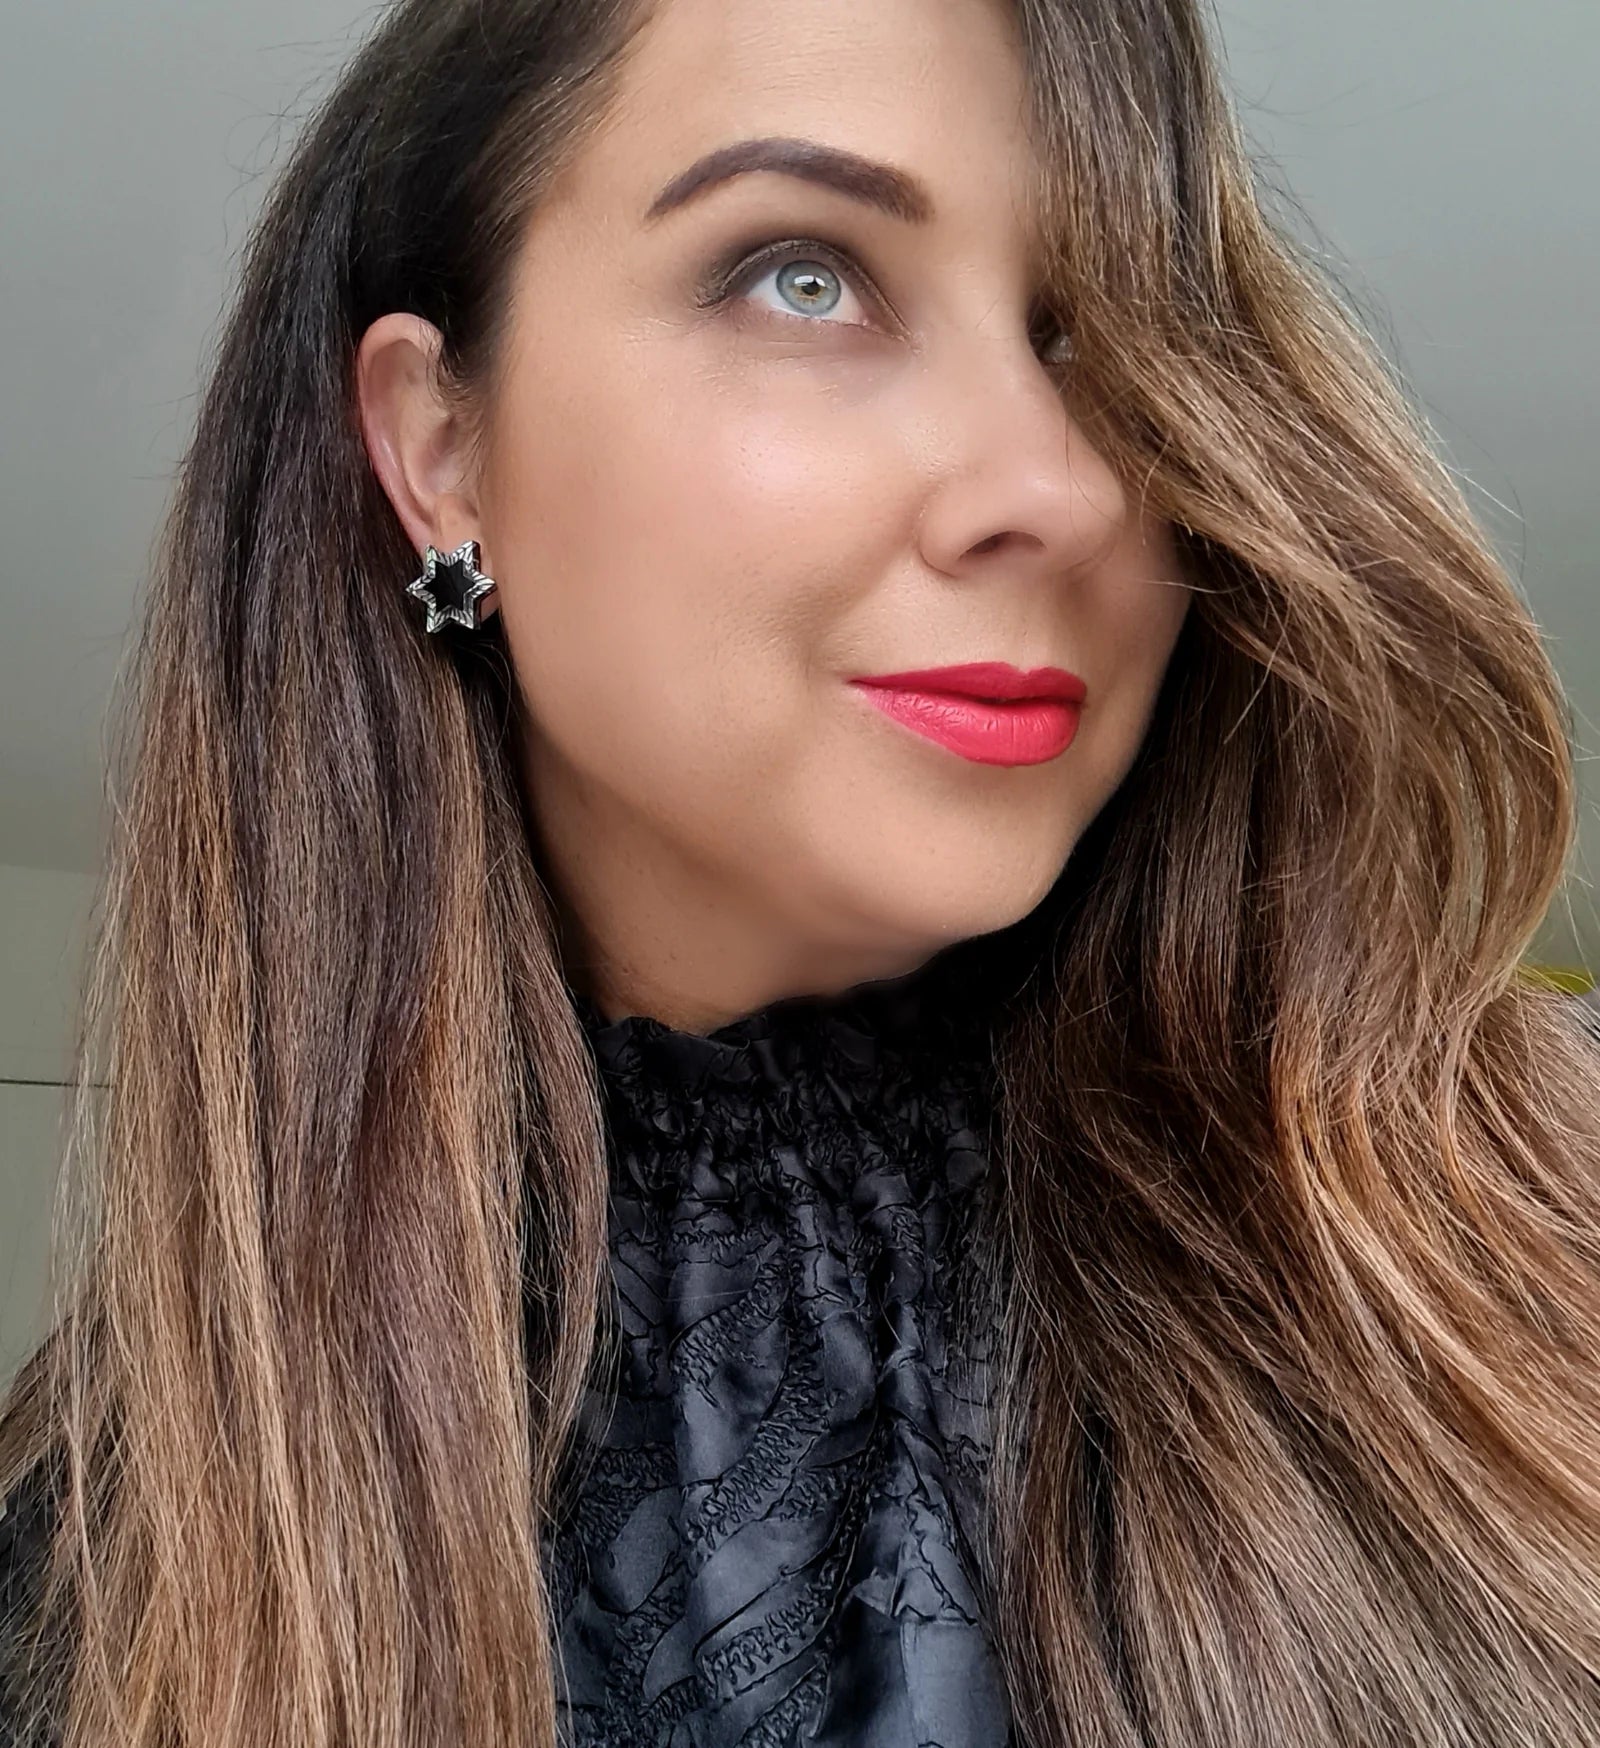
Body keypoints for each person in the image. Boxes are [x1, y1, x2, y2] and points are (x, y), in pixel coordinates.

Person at [3, 0, 1599, 1741]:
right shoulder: (97, 1571)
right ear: (441, 452)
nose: (1063, 488)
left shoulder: (1538, 1229)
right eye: (806, 277)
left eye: (1095, 329)